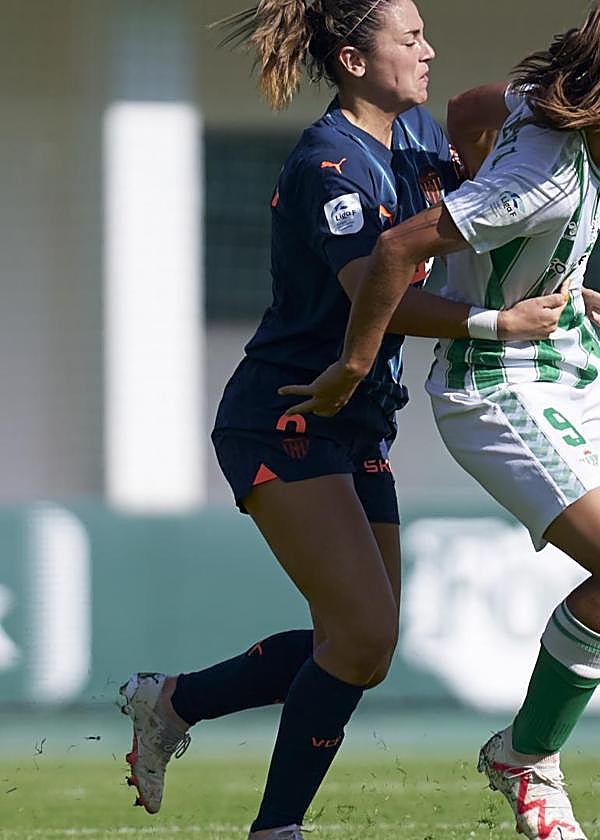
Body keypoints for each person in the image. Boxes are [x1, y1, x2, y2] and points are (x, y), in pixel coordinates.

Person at [114, 2, 566, 838]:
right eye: (410, 38)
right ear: (355, 62)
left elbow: (483, 182)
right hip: (284, 415)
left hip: (357, 424)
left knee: (363, 645)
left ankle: (174, 700)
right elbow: (376, 293)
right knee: (360, 635)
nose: (428, 50)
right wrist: (497, 324)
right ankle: (274, 828)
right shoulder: (330, 162)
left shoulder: (422, 139)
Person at [282, 1, 600, 837]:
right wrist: (356, 362)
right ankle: (525, 756)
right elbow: (396, 250)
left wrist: (535, 265)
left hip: (572, 362)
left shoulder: (538, 107)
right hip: (499, 382)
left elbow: (471, 112)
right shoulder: (539, 178)